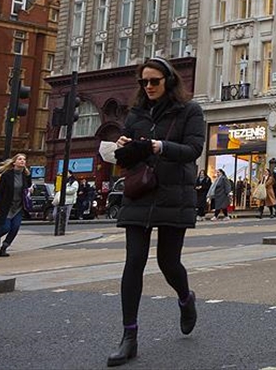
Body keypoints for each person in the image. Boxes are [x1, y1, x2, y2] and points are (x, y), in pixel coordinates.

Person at [107, 57, 206, 367]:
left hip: (173, 193)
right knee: (134, 261)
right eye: (144, 82)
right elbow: (126, 157)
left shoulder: (190, 111)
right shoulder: (136, 114)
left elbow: (193, 151)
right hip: (140, 190)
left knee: (168, 261)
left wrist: (160, 146)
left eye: (154, 81)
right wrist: (123, 146)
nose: (148, 87)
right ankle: (129, 337)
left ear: (169, 81)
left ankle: (185, 298)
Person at [0, 153, 31, 258]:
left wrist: (29, 188)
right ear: (14, 162)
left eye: (24, 159)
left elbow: (28, 187)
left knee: (15, 227)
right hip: (6, 206)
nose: (22, 161)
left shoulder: (25, 175)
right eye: (20, 159)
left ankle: (4, 247)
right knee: (6, 227)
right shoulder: (7, 175)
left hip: (18, 206)